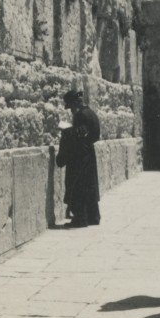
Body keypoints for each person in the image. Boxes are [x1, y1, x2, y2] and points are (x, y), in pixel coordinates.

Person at [56, 89, 101, 227]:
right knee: (90, 186)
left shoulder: (80, 115)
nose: (71, 111)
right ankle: (93, 216)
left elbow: (80, 135)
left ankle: (80, 218)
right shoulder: (91, 113)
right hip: (89, 154)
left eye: (71, 107)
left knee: (78, 186)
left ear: (74, 104)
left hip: (80, 156)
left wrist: (67, 131)